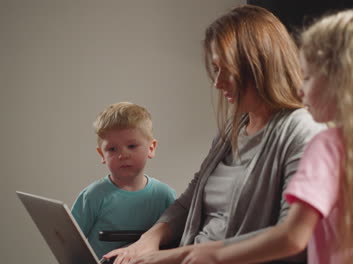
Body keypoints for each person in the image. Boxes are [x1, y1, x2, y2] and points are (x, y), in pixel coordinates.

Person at [179, 9, 353, 264]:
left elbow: (293, 237)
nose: (298, 88)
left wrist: (214, 256)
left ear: (339, 80)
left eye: (306, 77)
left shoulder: (328, 145)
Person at [104, 5, 325, 264]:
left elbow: (291, 236)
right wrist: (147, 241)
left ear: (257, 66)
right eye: (215, 69)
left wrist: (173, 257)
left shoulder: (302, 131)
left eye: (224, 70)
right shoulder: (231, 132)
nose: (217, 83)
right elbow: (189, 202)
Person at [71, 102, 177, 259]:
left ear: (151, 148)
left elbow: (177, 239)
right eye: (112, 149)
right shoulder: (93, 196)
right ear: (102, 155)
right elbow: (71, 245)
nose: (122, 155)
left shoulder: (165, 195)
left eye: (132, 146)